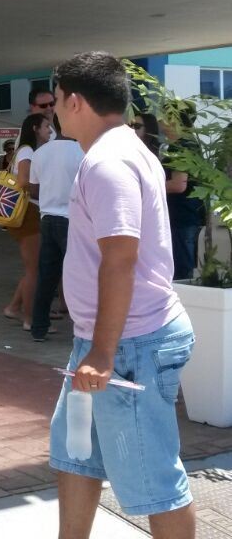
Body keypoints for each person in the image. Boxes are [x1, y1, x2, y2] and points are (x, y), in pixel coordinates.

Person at [50, 51, 195, 538]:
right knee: (77, 455)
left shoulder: (109, 162)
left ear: (73, 101)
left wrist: (104, 354)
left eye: (55, 100)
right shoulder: (122, 150)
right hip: (106, 343)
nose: (52, 110)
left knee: (155, 481)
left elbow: (120, 259)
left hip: (130, 347)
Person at [28, 131, 84, 341]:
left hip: (47, 218)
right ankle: (83, 330)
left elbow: (33, 189)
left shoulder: (40, 152)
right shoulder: (82, 151)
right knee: (79, 277)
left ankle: (39, 328)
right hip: (72, 220)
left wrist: (49, 194)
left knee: (46, 278)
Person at [1, 114, 51, 328]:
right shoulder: (27, 151)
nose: (50, 130)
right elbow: (23, 181)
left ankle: (13, 308)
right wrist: (48, 191)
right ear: (35, 129)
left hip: (28, 213)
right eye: (46, 126)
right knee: (34, 270)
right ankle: (31, 319)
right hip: (29, 212)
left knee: (34, 267)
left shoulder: (27, 151)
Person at [161, 103, 206, 281]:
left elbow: (179, 184)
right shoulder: (187, 143)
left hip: (183, 217)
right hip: (185, 216)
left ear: (174, 120)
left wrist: (150, 185)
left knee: (182, 272)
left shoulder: (182, 145)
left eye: (164, 116)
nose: (160, 121)